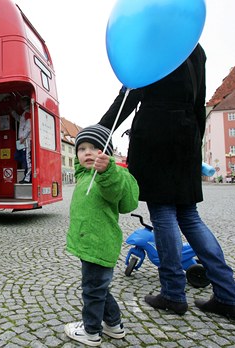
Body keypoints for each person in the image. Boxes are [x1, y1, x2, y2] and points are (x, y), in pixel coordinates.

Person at [99, 44, 235, 320]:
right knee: (189, 215)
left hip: (157, 132)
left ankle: (173, 293)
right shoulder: (195, 47)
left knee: (163, 213)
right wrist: (194, 142)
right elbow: (199, 99)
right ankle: (228, 295)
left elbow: (131, 94)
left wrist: (101, 131)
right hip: (187, 134)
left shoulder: (156, 42)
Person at [64, 124, 139, 347]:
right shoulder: (83, 174)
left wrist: (107, 171)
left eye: (95, 147)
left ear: (106, 152)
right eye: (82, 148)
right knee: (98, 288)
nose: (87, 152)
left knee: (93, 291)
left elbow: (117, 194)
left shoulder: (110, 175)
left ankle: (91, 332)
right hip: (88, 242)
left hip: (100, 243)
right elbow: (80, 165)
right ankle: (114, 325)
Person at [10, 96, 32, 183]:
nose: (21, 104)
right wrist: (12, 112)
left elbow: (29, 126)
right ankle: (26, 176)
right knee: (21, 158)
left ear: (25, 102)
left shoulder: (27, 113)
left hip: (26, 140)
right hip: (23, 140)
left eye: (22, 102)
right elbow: (20, 120)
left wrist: (24, 137)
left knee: (27, 159)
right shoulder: (24, 113)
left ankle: (27, 178)